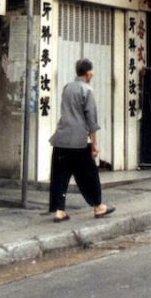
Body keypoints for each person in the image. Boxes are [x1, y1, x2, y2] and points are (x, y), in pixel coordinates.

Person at [48, 58, 114, 223]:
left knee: (60, 175)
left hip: (61, 138)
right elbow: (91, 120)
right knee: (89, 175)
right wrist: (95, 145)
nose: (93, 73)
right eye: (92, 70)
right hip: (79, 141)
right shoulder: (87, 90)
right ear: (88, 72)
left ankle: (59, 210)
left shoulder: (67, 88)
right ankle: (98, 206)